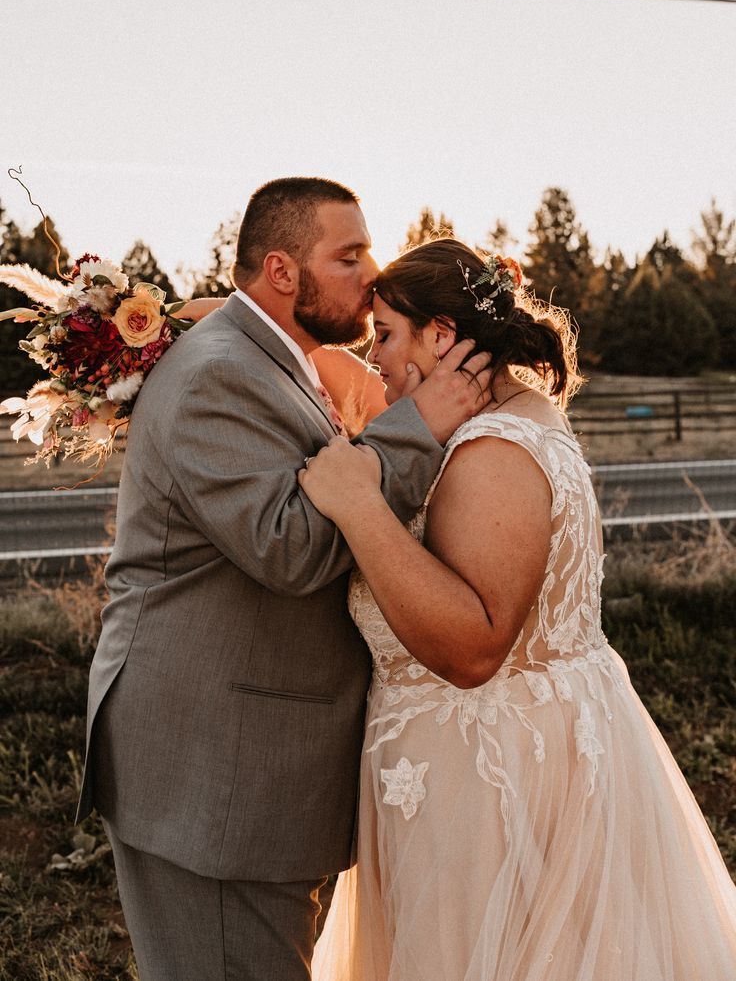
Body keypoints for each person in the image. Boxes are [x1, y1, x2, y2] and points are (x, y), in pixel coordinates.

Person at [76, 180, 494, 981]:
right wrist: (420, 426)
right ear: (281, 271)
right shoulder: (219, 375)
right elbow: (291, 547)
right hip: (215, 781)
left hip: (248, 766)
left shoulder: (270, 358)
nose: (371, 274)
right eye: (349, 256)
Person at [301, 239, 736, 981]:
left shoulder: (491, 454)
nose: (373, 358)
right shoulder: (507, 412)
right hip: (518, 747)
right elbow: (322, 365)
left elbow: (475, 648)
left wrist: (358, 506)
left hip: (488, 777)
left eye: (387, 335)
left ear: (441, 336)